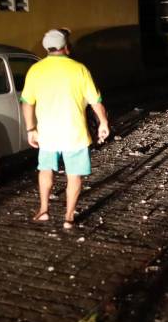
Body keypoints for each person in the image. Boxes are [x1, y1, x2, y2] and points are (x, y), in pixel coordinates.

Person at [21, 29, 110, 229]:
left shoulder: (36, 70)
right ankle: (68, 217)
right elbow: (95, 101)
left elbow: (27, 102)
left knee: (45, 170)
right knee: (74, 175)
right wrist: (103, 122)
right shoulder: (79, 69)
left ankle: (44, 210)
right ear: (66, 47)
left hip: (47, 134)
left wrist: (31, 128)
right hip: (74, 134)